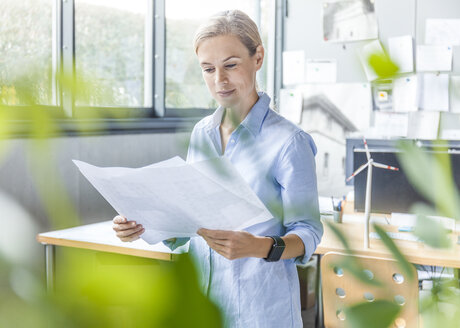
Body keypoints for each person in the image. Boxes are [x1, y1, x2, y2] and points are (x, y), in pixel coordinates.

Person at [112, 10, 322, 327]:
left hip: (260, 312)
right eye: (208, 69)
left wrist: (260, 246)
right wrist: (143, 223)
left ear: (258, 57)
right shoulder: (202, 133)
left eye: (230, 65)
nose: (219, 80)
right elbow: (190, 221)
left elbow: (308, 232)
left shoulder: (289, 142)